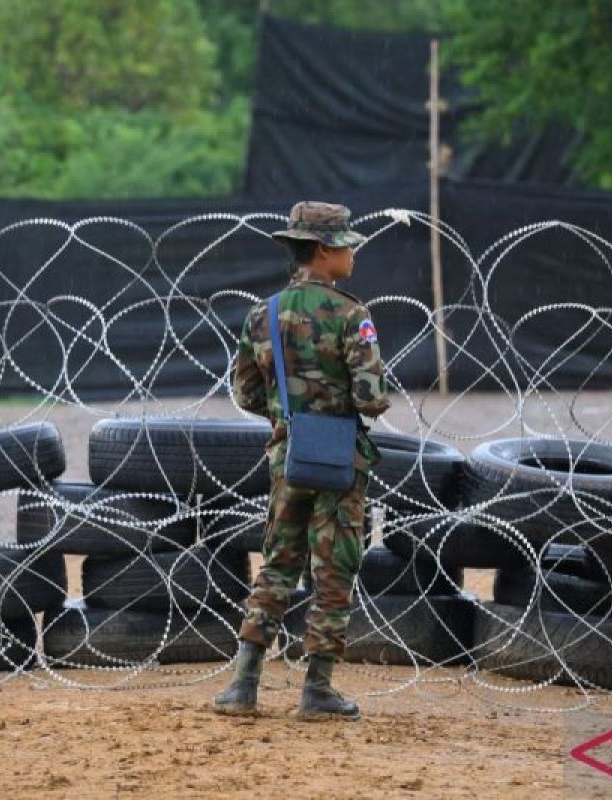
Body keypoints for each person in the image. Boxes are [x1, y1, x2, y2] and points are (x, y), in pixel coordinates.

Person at [213, 201, 390, 721]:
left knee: (278, 565)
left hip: (288, 456)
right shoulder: (352, 315)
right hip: (340, 461)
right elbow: (372, 399)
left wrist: (290, 411)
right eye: (346, 245)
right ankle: (317, 690)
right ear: (323, 250)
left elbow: (246, 394)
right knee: (333, 571)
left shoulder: (262, 314)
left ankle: (243, 687)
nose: (353, 253)